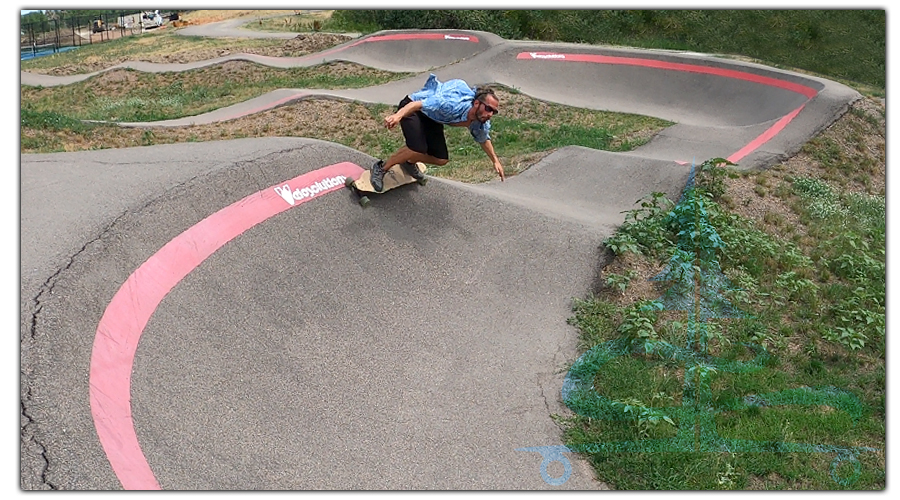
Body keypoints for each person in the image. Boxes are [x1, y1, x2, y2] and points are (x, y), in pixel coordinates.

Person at [370, 73, 505, 192]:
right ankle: (381, 168)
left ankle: (409, 163)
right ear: (476, 103)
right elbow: (417, 105)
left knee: (441, 159)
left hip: (432, 117)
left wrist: (495, 161)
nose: (490, 114)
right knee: (417, 147)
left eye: (493, 111)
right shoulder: (451, 103)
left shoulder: (479, 121)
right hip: (413, 108)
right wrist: (397, 116)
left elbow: (483, 139)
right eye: (488, 109)